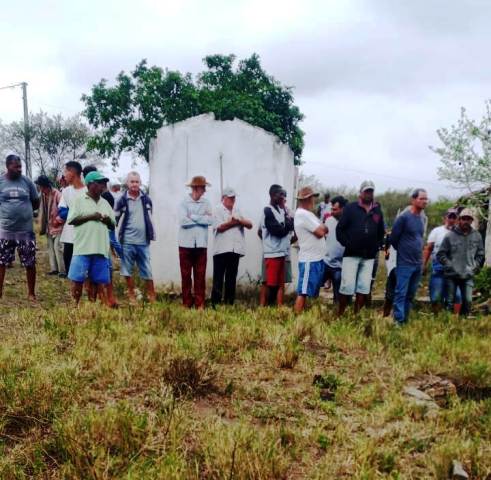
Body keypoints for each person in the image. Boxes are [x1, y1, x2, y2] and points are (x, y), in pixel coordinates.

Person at [336, 180, 384, 315]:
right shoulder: (351, 208)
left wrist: (377, 247)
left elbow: (381, 232)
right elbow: (340, 230)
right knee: (347, 287)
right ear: (360, 193)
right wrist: (348, 244)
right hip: (351, 255)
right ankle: (340, 315)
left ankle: (356, 315)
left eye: (371, 191)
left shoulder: (377, 210)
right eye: (366, 191)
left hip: (369, 256)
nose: (369, 194)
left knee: (363, 288)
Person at [67, 171, 115, 305]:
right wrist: (91, 216)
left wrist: (107, 221)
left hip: (100, 249)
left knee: (96, 280)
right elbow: (71, 220)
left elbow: (112, 225)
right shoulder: (79, 200)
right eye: (100, 183)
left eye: (104, 183)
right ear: (90, 184)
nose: (103, 186)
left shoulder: (105, 203)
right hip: (83, 248)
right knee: (78, 279)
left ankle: (92, 306)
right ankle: (74, 306)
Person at [0, 154, 40, 300]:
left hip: (26, 230)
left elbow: (36, 201)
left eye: (20, 166)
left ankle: (31, 293)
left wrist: (26, 212)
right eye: (16, 166)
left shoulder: (27, 182)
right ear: (8, 166)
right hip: (5, 230)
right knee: (1, 262)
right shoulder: (1, 182)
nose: (19, 169)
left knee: (30, 263)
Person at [115, 171, 156, 303]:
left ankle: (151, 296)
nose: (134, 184)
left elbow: (149, 217)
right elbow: (115, 219)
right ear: (127, 183)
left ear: (140, 183)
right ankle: (132, 295)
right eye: (132, 182)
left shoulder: (147, 199)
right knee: (127, 269)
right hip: (127, 241)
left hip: (143, 241)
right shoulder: (121, 200)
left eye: (137, 182)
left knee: (147, 270)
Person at [390, 188, 428, 325]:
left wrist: (422, 262)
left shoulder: (422, 218)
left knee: (411, 294)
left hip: (417, 263)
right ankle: (398, 321)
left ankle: (405, 319)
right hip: (405, 262)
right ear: (413, 200)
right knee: (401, 292)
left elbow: (420, 239)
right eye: (422, 199)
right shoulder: (404, 218)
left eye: (426, 199)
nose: (425, 201)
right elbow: (393, 239)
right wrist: (403, 251)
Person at [437, 208, 485, 317]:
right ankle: (447, 323)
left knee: (468, 301)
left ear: (472, 221)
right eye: (464, 219)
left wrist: (475, 265)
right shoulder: (450, 235)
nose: (466, 221)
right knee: (449, 301)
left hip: (468, 274)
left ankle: (462, 323)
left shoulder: (477, 235)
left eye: (469, 219)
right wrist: (449, 264)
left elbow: (481, 254)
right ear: (459, 220)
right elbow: (441, 254)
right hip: (451, 275)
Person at [211, 188, 252, 306]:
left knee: (231, 278)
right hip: (221, 249)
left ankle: (229, 303)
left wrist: (238, 221)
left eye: (234, 197)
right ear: (223, 198)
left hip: (235, 249)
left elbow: (249, 224)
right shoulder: (217, 209)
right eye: (230, 197)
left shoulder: (237, 210)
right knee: (218, 277)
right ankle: (216, 303)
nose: (233, 200)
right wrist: (234, 222)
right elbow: (219, 227)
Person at [178, 176, 212, 309]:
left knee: (200, 275)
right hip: (185, 244)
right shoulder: (183, 203)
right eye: (203, 187)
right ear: (195, 188)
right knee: (186, 275)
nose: (204, 190)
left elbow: (210, 220)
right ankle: (187, 302)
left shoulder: (206, 203)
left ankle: (200, 303)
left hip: (201, 244)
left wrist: (192, 216)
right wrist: (201, 219)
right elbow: (183, 222)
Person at [294, 187, 328, 313]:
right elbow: (321, 231)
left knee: (311, 292)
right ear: (308, 199)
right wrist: (323, 228)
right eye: (313, 197)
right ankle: (296, 318)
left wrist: (323, 228)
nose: (314, 200)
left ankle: (306, 316)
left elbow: (324, 229)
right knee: (303, 291)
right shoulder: (303, 214)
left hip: (316, 258)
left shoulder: (309, 214)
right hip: (309, 259)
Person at [259, 184, 294, 306]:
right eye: (280, 194)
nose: (283, 197)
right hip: (272, 253)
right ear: (273, 195)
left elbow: (290, 225)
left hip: (283, 252)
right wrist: (286, 227)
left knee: (280, 283)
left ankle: (279, 307)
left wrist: (286, 225)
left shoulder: (284, 211)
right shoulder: (267, 210)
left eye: (284, 195)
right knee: (269, 283)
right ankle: (264, 307)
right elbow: (277, 231)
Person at [423, 209, 462, 313]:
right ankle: (438, 318)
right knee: (435, 297)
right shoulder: (436, 231)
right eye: (450, 217)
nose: (452, 219)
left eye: (454, 217)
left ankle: (454, 320)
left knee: (457, 296)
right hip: (438, 269)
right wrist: (423, 264)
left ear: (457, 219)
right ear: (445, 218)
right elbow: (428, 248)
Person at [58, 161, 86, 273]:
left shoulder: (87, 191)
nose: (64, 175)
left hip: (84, 235)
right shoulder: (66, 191)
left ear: (72, 172)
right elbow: (62, 211)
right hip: (69, 234)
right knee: (69, 265)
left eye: (66, 171)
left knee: (84, 267)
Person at [36, 175, 65, 276]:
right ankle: (54, 269)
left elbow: (64, 210)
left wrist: (58, 220)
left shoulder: (57, 194)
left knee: (58, 247)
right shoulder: (43, 196)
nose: (40, 188)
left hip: (58, 226)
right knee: (50, 248)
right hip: (49, 226)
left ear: (45, 186)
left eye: (40, 186)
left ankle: (62, 271)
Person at [323, 195, 347, 304]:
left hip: (340, 265)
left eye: (335, 209)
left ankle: (337, 313)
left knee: (338, 295)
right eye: (331, 209)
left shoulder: (348, 222)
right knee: (313, 286)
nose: (332, 212)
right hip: (326, 262)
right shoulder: (328, 220)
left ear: (342, 209)